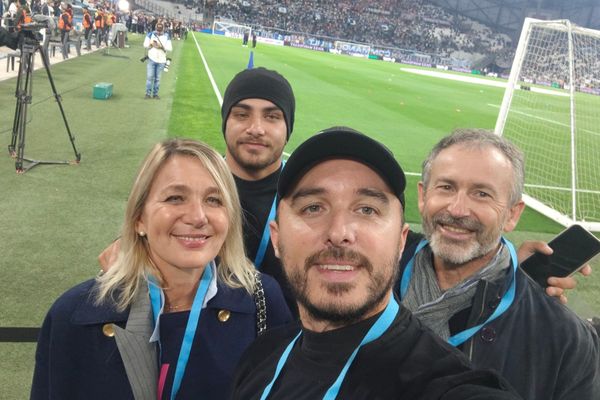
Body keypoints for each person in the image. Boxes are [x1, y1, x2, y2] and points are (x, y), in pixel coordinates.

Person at [231, 127, 520, 399]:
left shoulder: (445, 385)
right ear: (277, 238)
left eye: (367, 209)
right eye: (313, 207)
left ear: (401, 241)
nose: (339, 233)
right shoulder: (260, 356)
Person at [31, 139, 292, 400]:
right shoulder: (72, 315)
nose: (198, 216)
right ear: (139, 219)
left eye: (214, 200)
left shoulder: (264, 301)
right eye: (175, 198)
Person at [397, 128, 600, 399]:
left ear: (512, 215)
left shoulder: (563, 338)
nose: (457, 210)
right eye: (446, 187)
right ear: (423, 197)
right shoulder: (369, 275)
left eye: (481, 194)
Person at [143, 20, 172, 99]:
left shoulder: (166, 36)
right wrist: (151, 44)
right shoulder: (151, 34)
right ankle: (148, 94)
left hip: (162, 60)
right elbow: (145, 45)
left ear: (163, 29)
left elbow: (169, 48)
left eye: (160, 29)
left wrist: (161, 47)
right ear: (156, 28)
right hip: (151, 58)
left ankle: (155, 94)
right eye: (158, 29)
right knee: (149, 77)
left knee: (157, 79)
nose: (159, 31)